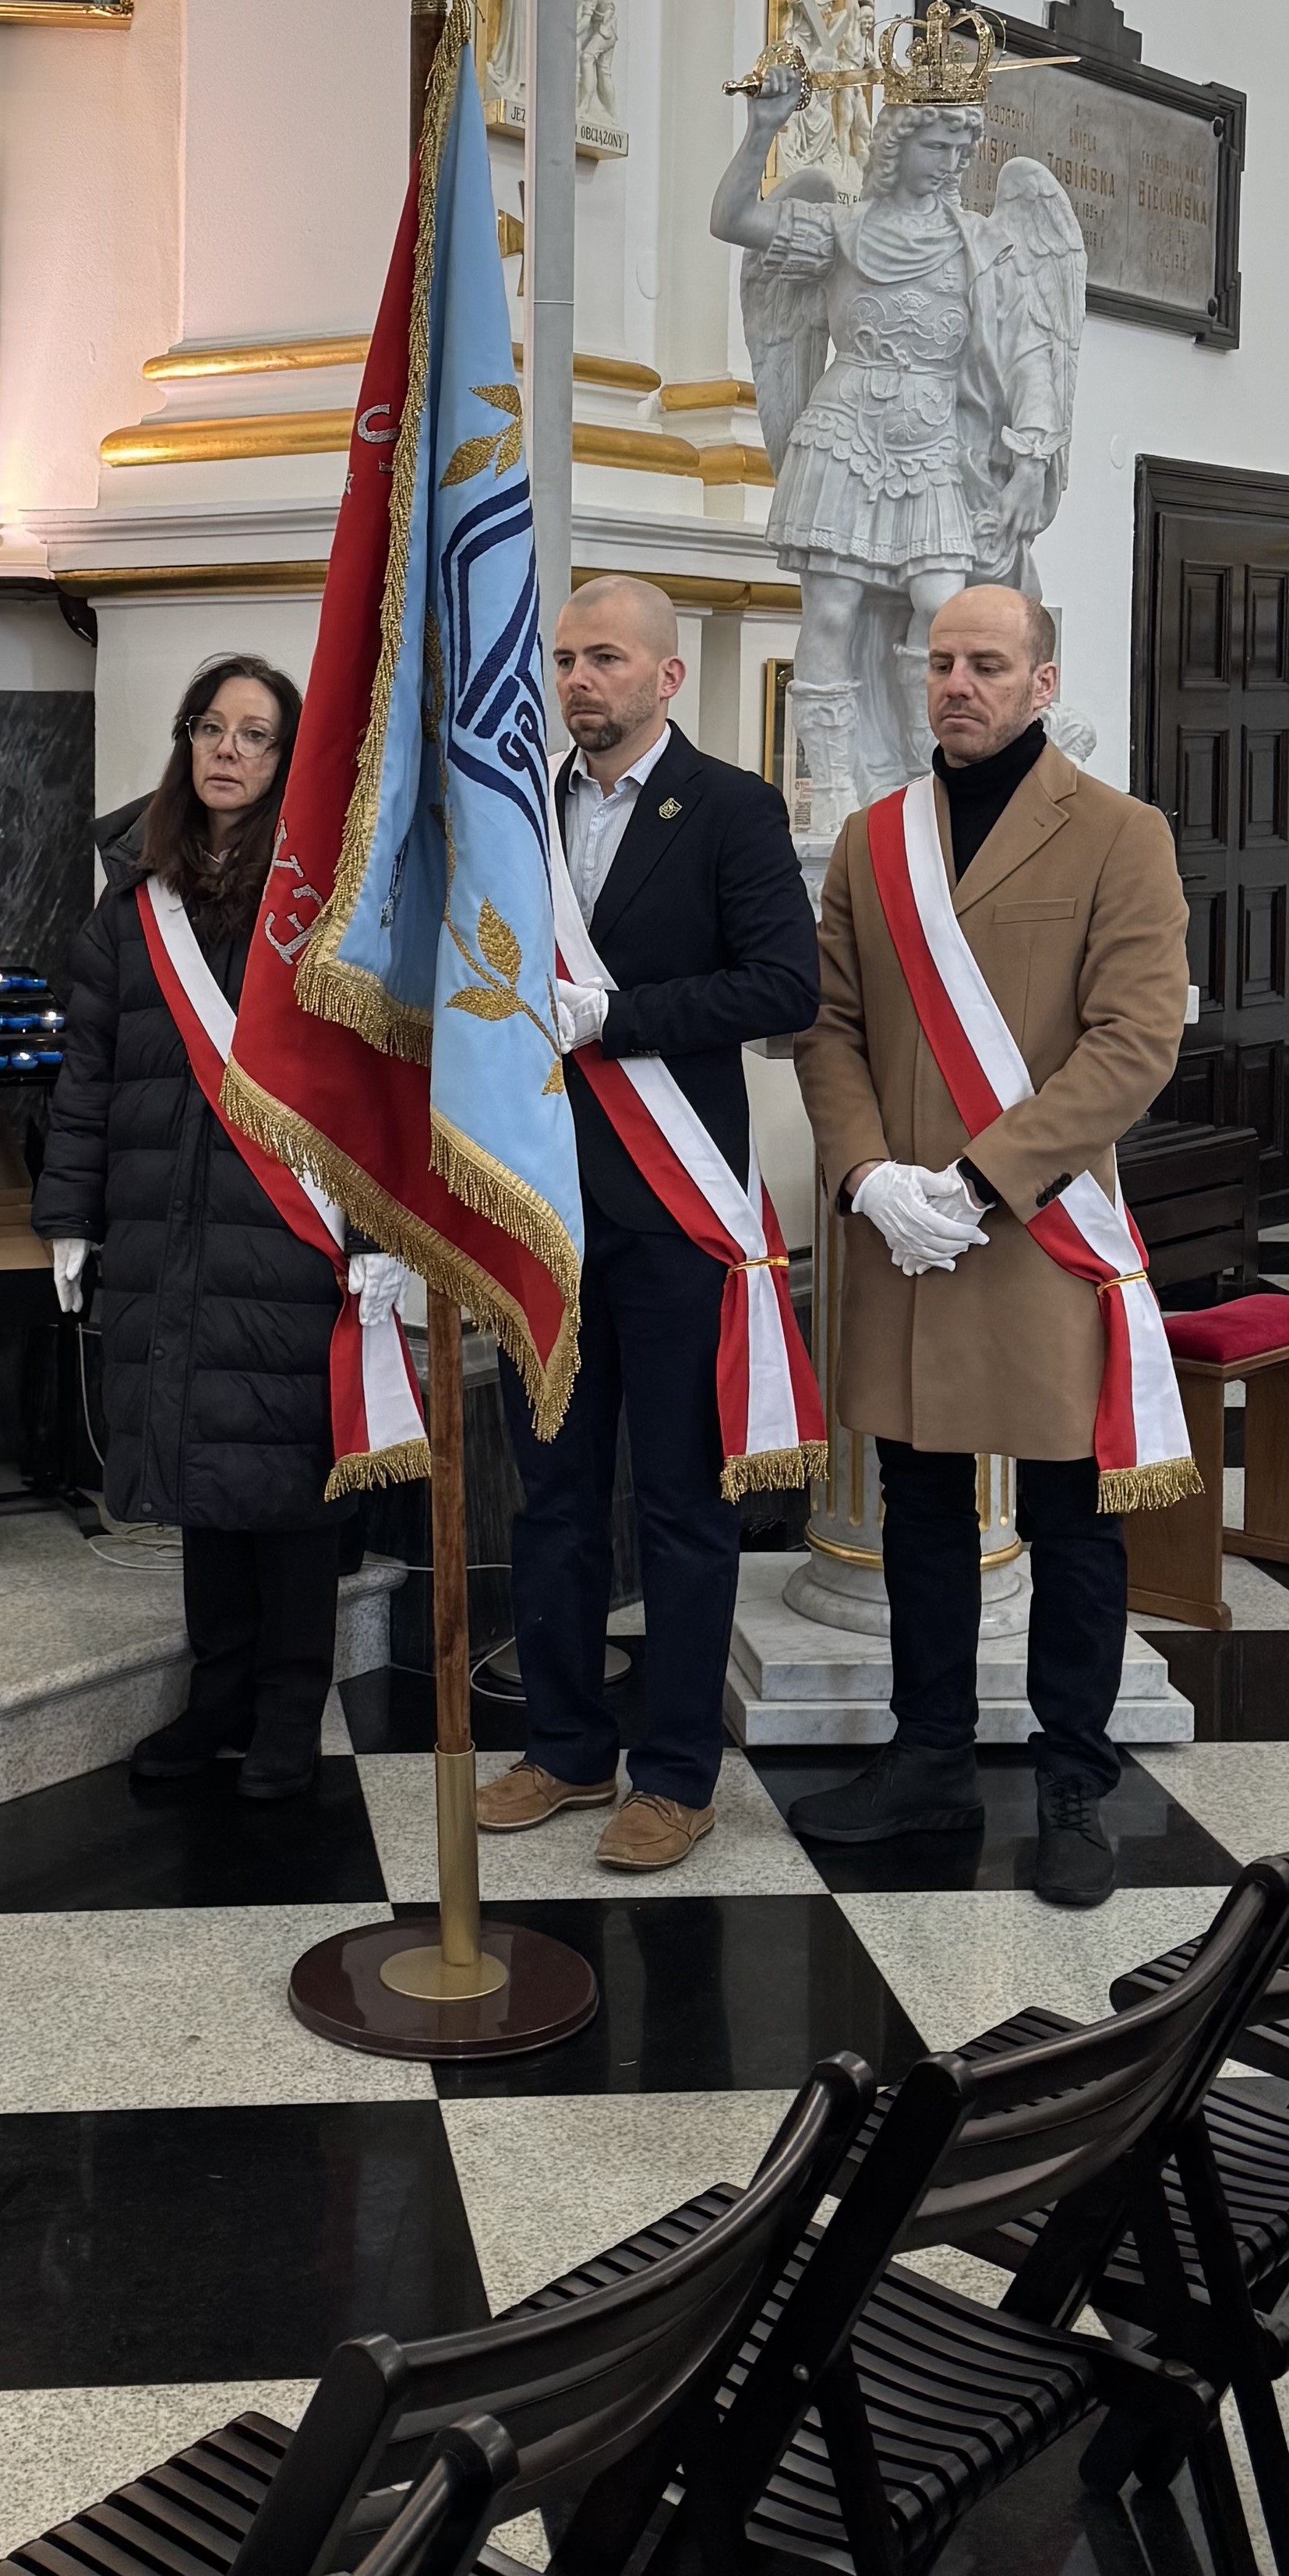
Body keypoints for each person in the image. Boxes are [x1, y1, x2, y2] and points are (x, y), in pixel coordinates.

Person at [792, 584, 1191, 1908]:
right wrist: (866, 1175)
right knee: (918, 1504)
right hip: (903, 1237)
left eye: (987, 664)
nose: (956, 683)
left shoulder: (1119, 834)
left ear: (1040, 681)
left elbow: (1133, 1042)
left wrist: (980, 1181)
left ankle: (1073, 1783)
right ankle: (928, 1760)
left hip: (1035, 1234)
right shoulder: (873, 840)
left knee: (1070, 1520)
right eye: (942, 663)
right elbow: (828, 1026)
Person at [479, 575, 820, 1873]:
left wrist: (616, 1020)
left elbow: (783, 986)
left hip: (676, 1213)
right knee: (554, 1496)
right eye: (566, 658)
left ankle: (674, 1777)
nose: (579, 679)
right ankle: (566, 1748)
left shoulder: (729, 807)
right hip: (546, 1208)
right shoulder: (523, 811)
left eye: (605, 658)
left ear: (666, 676)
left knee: (679, 1502)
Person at [34, 657, 394, 1804]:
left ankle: (289, 1706)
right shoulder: (133, 906)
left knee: (286, 1480)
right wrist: (70, 1217)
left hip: (289, 1228)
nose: (227, 751)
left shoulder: (327, 904)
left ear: (290, 760)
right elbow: (89, 1076)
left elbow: (377, 1080)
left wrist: (381, 1234)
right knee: (198, 1471)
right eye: (210, 728)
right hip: (161, 1228)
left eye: (255, 734)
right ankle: (218, 1694)